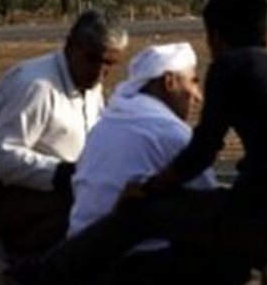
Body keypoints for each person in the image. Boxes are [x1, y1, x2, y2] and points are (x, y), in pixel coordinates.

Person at [10, 0, 267, 285]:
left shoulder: (232, 66)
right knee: (209, 228)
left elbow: (202, 151)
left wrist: (149, 189)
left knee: (141, 214)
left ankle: (38, 275)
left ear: (217, 36)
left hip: (265, 222)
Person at [0, 10, 128, 274]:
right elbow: (0, 159)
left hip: (47, 190)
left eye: (109, 64)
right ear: (71, 46)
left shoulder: (90, 86)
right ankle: (12, 268)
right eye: (93, 59)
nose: (99, 72)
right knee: (88, 207)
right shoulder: (36, 85)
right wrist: (66, 174)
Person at [66, 42, 220, 283]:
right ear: (170, 82)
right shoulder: (169, 132)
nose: (198, 97)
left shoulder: (105, 125)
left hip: (79, 257)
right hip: (136, 264)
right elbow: (209, 202)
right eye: (193, 82)